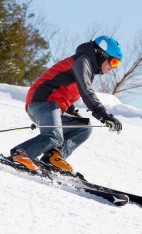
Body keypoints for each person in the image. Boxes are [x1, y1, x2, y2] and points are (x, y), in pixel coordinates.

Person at [9, 35, 123, 172]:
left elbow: (64, 90)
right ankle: (20, 154)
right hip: (42, 101)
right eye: (114, 62)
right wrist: (104, 115)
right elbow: (86, 91)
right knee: (54, 136)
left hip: (53, 106)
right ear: (102, 54)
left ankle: (53, 157)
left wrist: (71, 111)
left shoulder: (87, 67)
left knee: (83, 128)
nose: (113, 67)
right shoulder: (82, 61)